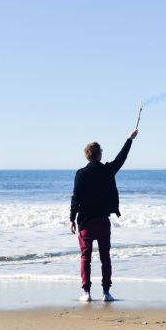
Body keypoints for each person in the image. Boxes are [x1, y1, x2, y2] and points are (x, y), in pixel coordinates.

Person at [70, 129, 138, 302]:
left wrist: (71, 219)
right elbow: (121, 159)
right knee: (105, 258)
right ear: (99, 155)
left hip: (85, 223)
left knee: (86, 258)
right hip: (102, 221)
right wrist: (129, 139)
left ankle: (86, 293)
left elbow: (75, 198)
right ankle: (106, 293)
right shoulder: (107, 171)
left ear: (87, 156)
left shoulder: (81, 174)